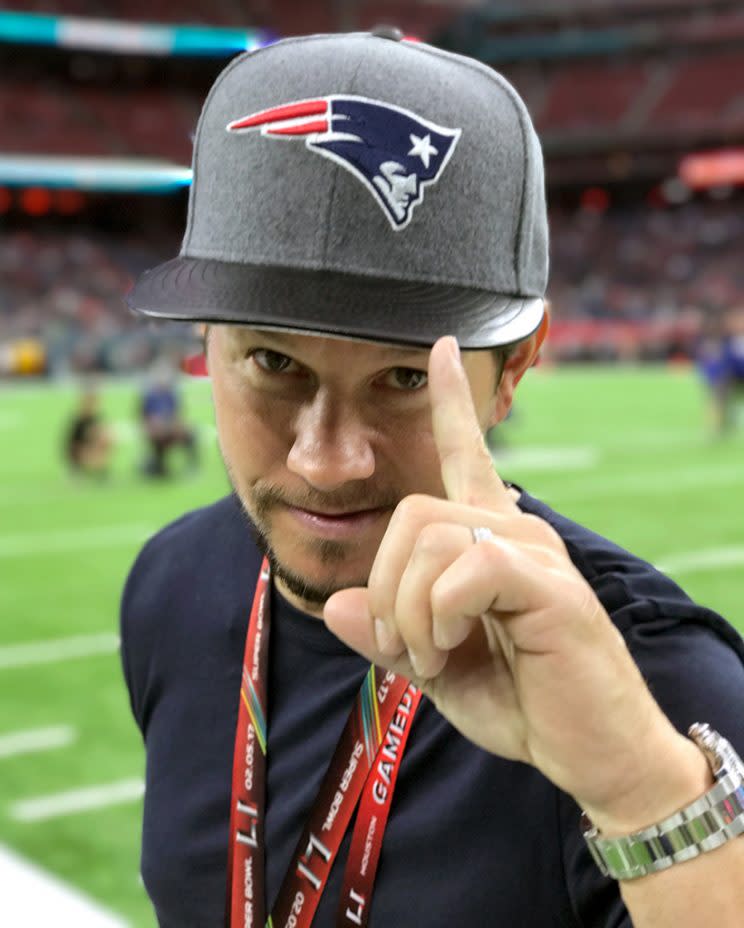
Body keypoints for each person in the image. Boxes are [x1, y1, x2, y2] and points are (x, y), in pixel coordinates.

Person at [121, 31, 744, 928]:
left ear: (518, 368)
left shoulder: (658, 688)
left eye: (406, 379)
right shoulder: (170, 586)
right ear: (203, 346)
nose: (326, 460)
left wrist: (640, 787)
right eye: (271, 361)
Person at [138, 361, 198, 476]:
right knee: (158, 442)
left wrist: (176, 426)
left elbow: (177, 414)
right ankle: (158, 466)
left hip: (170, 428)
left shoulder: (171, 394)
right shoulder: (149, 396)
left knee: (190, 434)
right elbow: (143, 418)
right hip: (157, 432)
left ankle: (192, 466)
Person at [64, 388, 113, 478]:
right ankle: (78, 468)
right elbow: (72, 444)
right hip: (80, 451)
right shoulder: (78, 420)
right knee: (102, 438)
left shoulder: (96, 418)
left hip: (91, 448)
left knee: (107, 437)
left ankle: (100, 468)